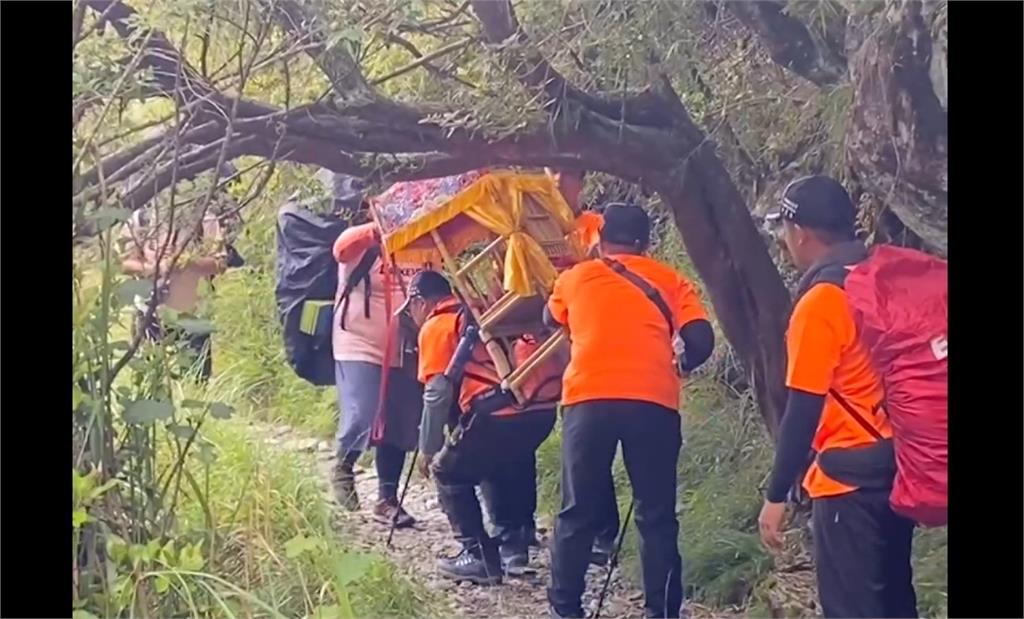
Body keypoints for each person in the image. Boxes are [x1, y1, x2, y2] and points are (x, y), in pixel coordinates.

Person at [544, 203, 715, 619]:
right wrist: (684, 364)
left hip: (588, 398)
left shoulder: (574, 277)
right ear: (647, 243)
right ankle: (663, 611)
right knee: (656, 514)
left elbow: (548, 319)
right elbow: (701, 339)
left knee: (576, 511)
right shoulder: (672, 280)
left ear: (600, 240)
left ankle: (565, 607)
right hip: (653, 401)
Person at [759, 175, 917, 618]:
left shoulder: (822, 302)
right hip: (899, 465)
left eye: (785, 231)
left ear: (802, 233)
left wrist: (776, 497)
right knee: (894, 600)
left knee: (852, 606)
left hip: (847, 480)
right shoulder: (880, 281)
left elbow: (803, 409)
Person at [404, 270, 564, 585]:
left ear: (420, 302)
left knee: (448, 473)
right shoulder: (485, 310)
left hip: (495, 411)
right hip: (539, 410)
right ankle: (514, 545)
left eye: (411, 308)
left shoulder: (439, 324)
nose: (412, 316)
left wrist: (428, 448)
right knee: (507, 460)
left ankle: (477, 555)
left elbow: (436, 395)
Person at [329, 175, 424, 529]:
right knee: (362, 413)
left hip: (405, 345)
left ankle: (387, 498)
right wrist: (381, 225)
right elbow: (340, 248)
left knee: (399, 422)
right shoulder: (362, 244)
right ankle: (343, 467)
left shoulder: (423, 241)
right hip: (358, 341)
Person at [119, 207, 227, 381]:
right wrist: (152, 268)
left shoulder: (204, 216)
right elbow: (124, 262)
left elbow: (220, 263)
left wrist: (185, 262)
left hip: (192, 314)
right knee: (148, 382)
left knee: (196, 381)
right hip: (149, 312)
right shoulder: (141, 217)